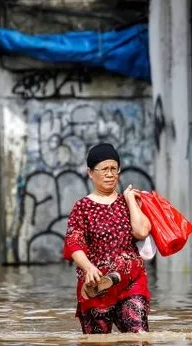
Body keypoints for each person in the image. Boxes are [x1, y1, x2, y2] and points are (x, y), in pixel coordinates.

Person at [63, 143, 152, 334]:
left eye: (114, 168)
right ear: (90, 172)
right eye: (104, 169)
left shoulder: (128, 201)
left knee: (139, 339)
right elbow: (74, 242)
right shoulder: (82, 207)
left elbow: (142, 232)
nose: (110, 174)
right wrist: (88, 267)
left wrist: (130, 201)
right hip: (96, 285)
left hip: (131, 281)